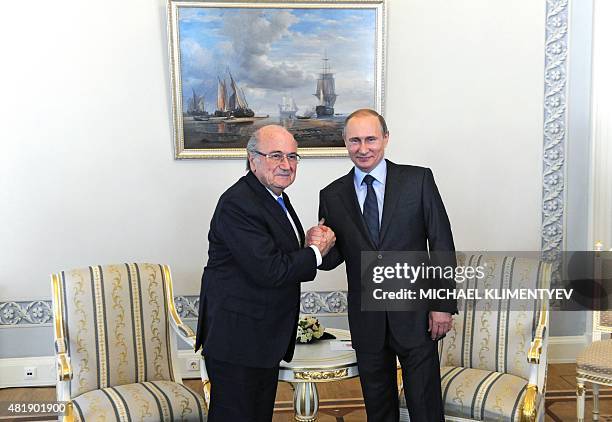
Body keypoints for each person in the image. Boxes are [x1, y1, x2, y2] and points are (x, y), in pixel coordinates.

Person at [308, 109, 456, 421]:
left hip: (415, 315)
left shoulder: (418, 180)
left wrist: (442, 305)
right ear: (345, 143)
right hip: (367, 320)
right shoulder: (332, 195)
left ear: (385, 139)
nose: (363, 148)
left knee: (425, 405)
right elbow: (334, 258)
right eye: (355, 141)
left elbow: (441, 243)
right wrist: (317, 246)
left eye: (371, 139)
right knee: (379, 408)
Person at [195, 125, 336, 422]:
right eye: (276, 156)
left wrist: (308, 243)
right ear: (252, 159)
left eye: (292, 156)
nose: (286, 165)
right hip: (238, 342)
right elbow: (270, 270)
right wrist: (314, 252)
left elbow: (274, 253)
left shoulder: (273, 196)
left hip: (259, 340)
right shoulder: (238, 203)